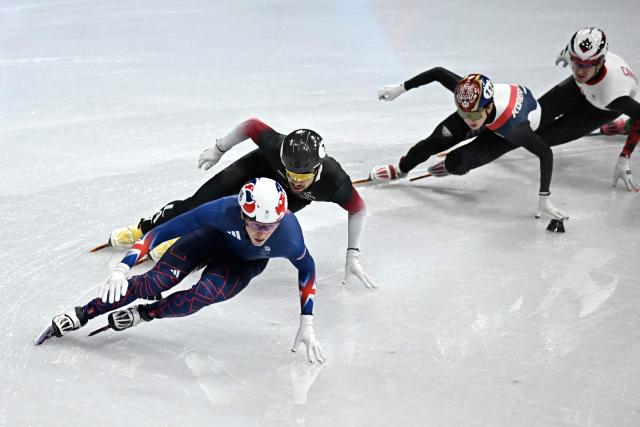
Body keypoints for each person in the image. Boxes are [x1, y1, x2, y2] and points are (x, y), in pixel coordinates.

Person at [43, 178, 326, 363]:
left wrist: (307, 322)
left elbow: (308, 269)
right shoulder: (221, 210)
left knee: (202, 295)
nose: (262, 233)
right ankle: (83, 314)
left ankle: (145, 314)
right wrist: (122, 267)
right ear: (241, 214)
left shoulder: (289, 235)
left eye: (270, 226)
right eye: (255, 224)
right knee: (153, 282)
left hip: (242, 265)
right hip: (209, 241)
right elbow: (160, 232)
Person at [108, 118, 376, 288]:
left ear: (317, 169)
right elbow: (251, 126)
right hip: (253, 170)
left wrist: (353, 253)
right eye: (291, 173)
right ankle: (144, 228)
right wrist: (219, 149)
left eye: (302, 176)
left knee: (245, 229)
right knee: (198, 205)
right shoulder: (275, 145)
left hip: (280, 201)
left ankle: (186, 244)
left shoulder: (335, 183)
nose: (295, 181)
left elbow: (358, 209)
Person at [408, 27, 640, 192]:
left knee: (541, 139)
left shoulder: (614, 95)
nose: (579, 70)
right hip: (581, 90)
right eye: (575, 61)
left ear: (600, 62)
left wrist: (624, 158)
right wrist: (566, 56)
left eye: (586, 65)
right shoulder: (584, 63)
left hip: (600, 108)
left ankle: (619, 125)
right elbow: (578, 57)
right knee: (531, 121)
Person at [373, 69, 566, 219]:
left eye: (472, 115)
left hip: (504, 131)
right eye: (463, 113)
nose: (468, 120)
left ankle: (453, 165)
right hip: (489, 115)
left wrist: (544, 198)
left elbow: (545, 153)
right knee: (432, 143)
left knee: (456, 162)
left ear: (489, 106)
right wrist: (400, 88)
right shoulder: (468, 96)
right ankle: (401, 169)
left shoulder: (515, 128)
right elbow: (438, 73)